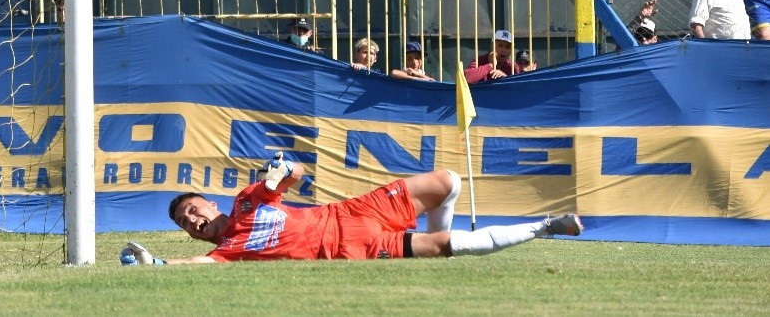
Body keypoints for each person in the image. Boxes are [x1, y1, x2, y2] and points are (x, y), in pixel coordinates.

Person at [120, 154, 583, 265]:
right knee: (450, 245)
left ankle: (445, 247)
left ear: (210, 203)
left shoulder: (246, 200)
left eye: (194, 211)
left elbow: (295, 174)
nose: (195, 221)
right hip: (354, 244)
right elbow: (194, 267)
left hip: (353, 210)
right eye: (189, 224)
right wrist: (154, 263)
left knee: (449, 182)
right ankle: (545, 226)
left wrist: (284, 170)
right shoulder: (226, 253)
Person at [464, 29, 536, 84]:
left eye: (507, 47)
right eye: (500, 46)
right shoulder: (480, 61)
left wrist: (505, 78)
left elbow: (518, 89)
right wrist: (490, 65)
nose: (503, 50)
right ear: (492, 46)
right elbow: (466, 78)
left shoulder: (512, 67)